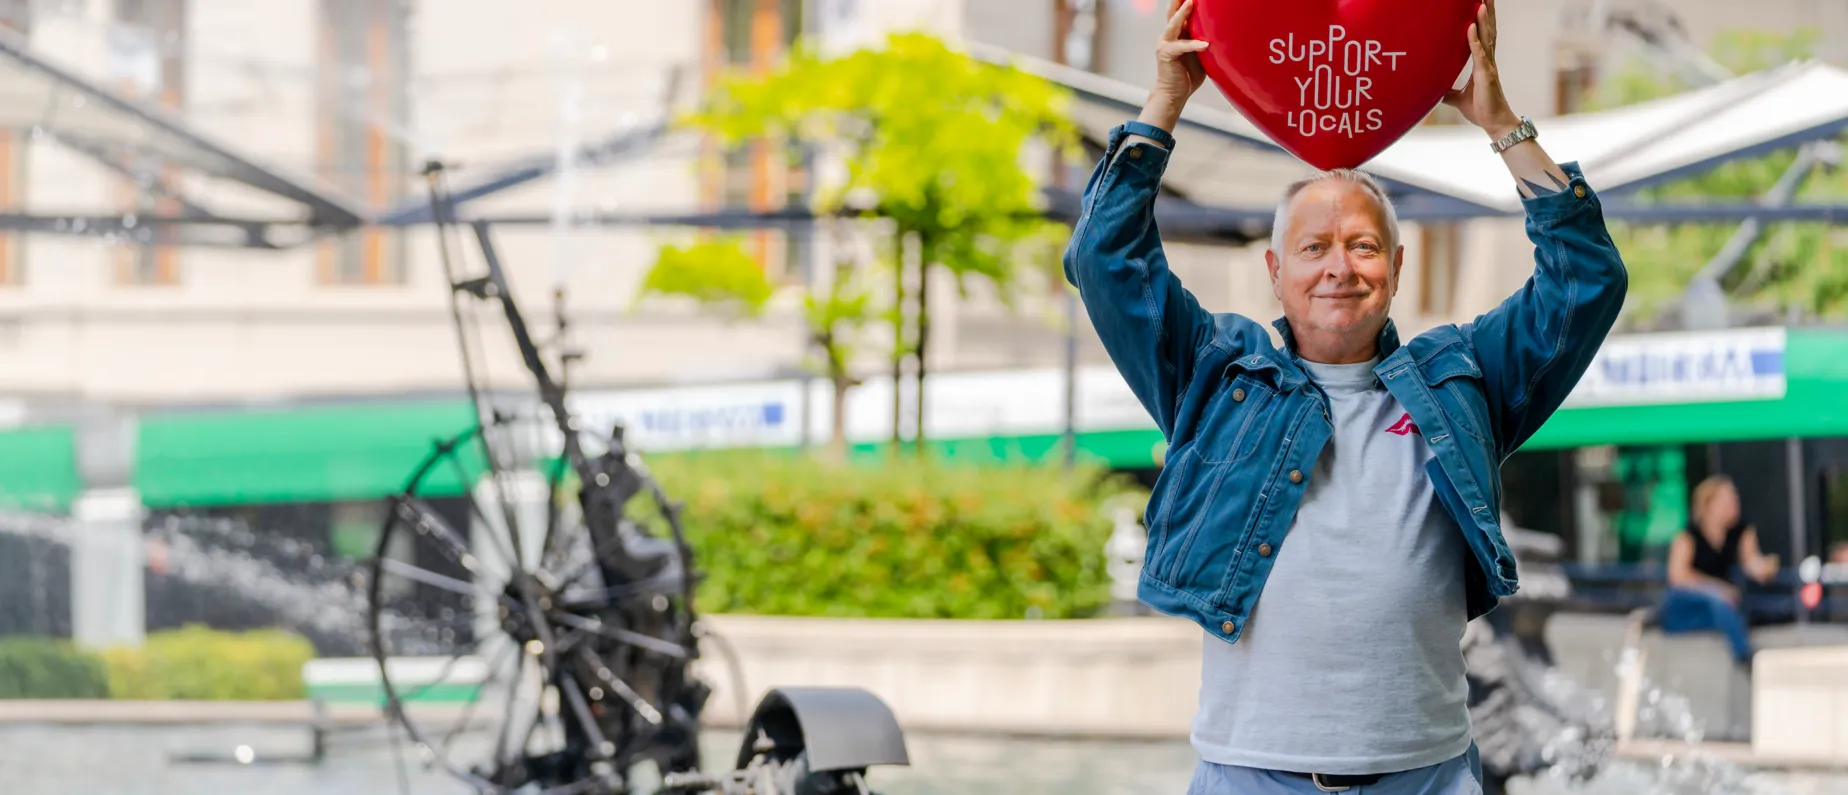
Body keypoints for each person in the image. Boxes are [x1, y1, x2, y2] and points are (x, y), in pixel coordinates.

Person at [1061, 0, 1628, 792]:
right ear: (1274, 271)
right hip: (1252, 776)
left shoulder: (1462, 380)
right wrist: (1164, 104)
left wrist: (1501, 123)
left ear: (1395, 268)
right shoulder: (1214, 375)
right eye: (1315, 247)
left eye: (1363, 246)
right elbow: (1105, 260)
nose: (1340, 267)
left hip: (1427, 778)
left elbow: (1587, 283)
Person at [1661, 474, 1779, 664]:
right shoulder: (1688, 535)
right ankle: (1744, 655)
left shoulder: (1740, 531)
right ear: (1710, 505)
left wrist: (1764, 567)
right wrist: (1716, 588)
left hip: (1717, 606)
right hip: (1688, 599)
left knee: (1727, 607)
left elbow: (1751, 562)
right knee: (1719, 602)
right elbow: (1677, 576)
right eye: (1727, 499)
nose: (1734, 503)